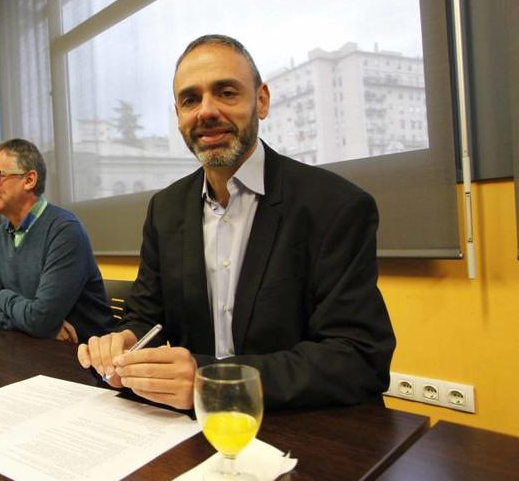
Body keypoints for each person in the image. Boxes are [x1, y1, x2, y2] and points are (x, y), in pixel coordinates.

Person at [77, 34, 395, 410]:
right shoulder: (165, 209)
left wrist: (209, 381)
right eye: (190, 99)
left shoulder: (336, 206)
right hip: (193, 433)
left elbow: (358, 358)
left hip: (301, 429)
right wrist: (128, 339)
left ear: (261, 101)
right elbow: (146, 315)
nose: (206, 111)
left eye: (226, 92)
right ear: (178, 115)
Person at [0, 138, 115, 343]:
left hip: (82, 359)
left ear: (29, 180)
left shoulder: (64, 230)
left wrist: (1, 296)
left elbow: (40, 319)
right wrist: (26, 325)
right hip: (33, 347)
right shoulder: (0, 235)